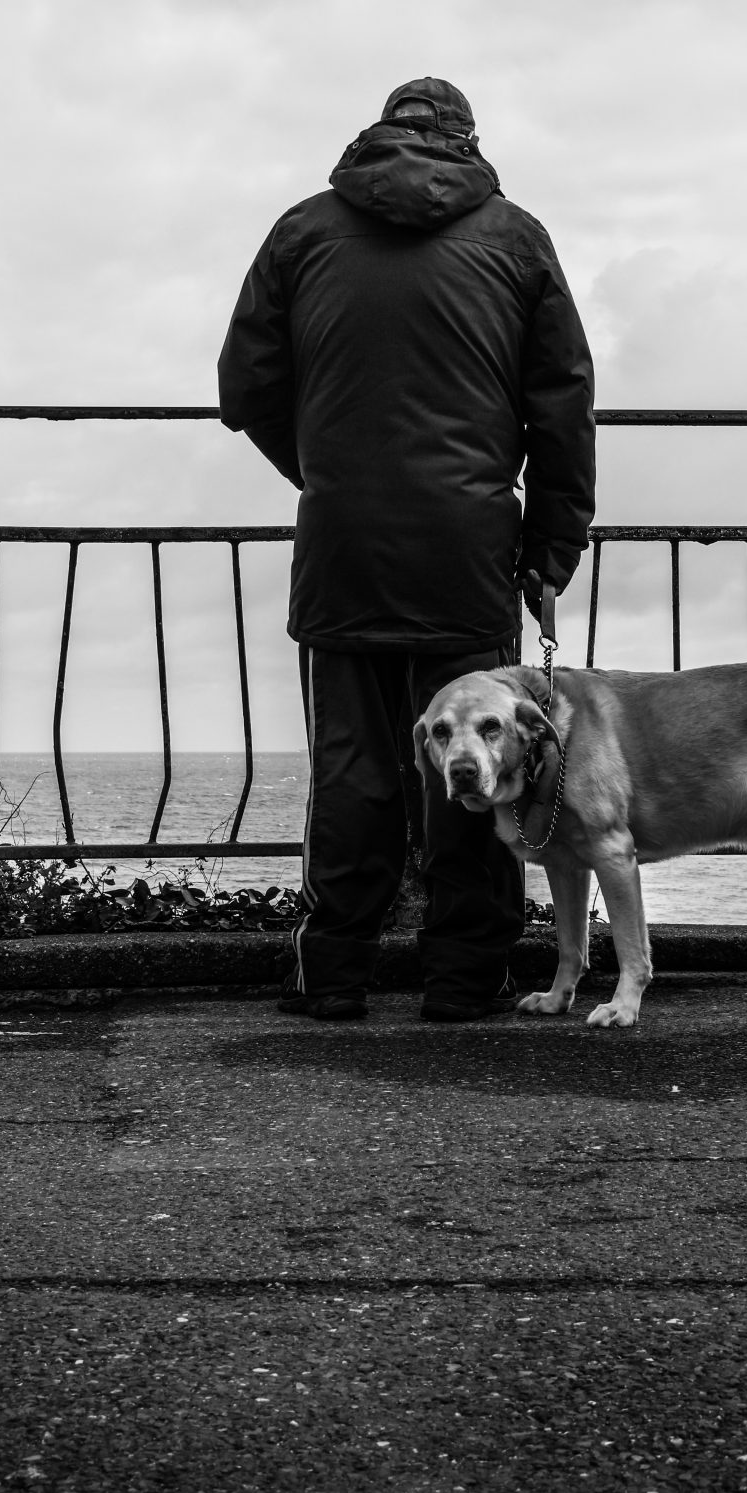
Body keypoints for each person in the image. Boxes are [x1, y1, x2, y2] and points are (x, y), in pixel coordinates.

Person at [217, 76, 595, 1021]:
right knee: (480, 761)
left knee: (352, 775)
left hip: (342, 550)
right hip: (467, 552)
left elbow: (244, 387)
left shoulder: (303, 230)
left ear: (378, 134)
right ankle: (464, 981)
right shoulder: (515, 238)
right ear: (468, 141)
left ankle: (332, 976)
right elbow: (561, 407)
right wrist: (549, 550)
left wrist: (324, 472)